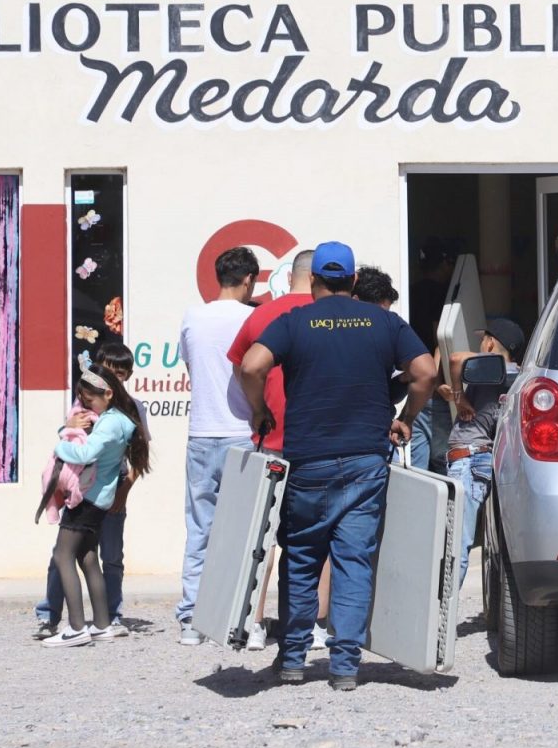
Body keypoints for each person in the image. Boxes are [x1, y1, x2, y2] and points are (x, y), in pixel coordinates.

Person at [239, 241, 437, 688]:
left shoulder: (294, 321)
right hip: (366, 461)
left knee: (302, 559)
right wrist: (407, 418)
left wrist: (259, 411)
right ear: (353, 280)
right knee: (353, 561)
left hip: (308, 461)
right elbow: (425, 372)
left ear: (313, 280)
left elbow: (251, 366)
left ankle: (293, 660)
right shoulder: (383, 322)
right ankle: (345, 666)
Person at [225, 249, 328, 652]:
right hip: (318, 441)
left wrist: (258, 408)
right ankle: (314, 624)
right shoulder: (331, 314)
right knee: (319, 538)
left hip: (272, 438)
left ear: (289, 277)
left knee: (263, 535)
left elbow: (242, 365)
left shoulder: (263, 314)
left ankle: (253, 623)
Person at [33, 342, 148, 638]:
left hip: (95, 490)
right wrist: (67, 426)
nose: (112, 378)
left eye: (119, 374)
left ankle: (84, 625)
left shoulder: (118, 415)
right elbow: (75, 435)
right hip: (91, 488)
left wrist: (123, 491)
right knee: (83, 556)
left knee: (86, 555)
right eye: (108, 371)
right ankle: (73, 619)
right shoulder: (92, 406)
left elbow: (91, 453)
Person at [175, 245, 260, 644]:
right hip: (241, 431)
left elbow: (191, 366)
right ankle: (236, 617)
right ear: (249, 280)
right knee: (245, 532)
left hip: (201, 432)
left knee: (199, 528)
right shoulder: (252, 318)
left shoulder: (193, 316)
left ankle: (192, 619)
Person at [442, 317, 524, 590]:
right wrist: (457, 394)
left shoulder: (492, 366)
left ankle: (444, 610)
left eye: (483, 339)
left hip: (468, 460)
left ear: (490, 343)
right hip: (482, 459)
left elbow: (455, 358)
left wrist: (458, 396)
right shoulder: (517, 374)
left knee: (456, 544)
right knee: (462, 540)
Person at [407, 239, 456, 472]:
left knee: (417, 463)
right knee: (443, 460)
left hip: (413, 382)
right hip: (433, 387)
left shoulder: (412, 291)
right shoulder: (442, 294)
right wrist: (436, 382)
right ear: (445, 264)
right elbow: (440, 340)